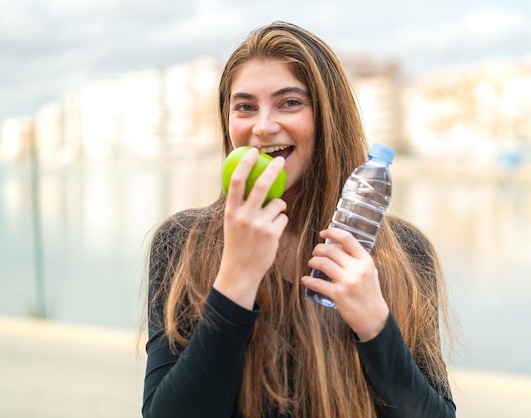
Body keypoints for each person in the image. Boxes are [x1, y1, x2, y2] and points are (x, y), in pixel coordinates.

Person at [142, 21, 457, 418]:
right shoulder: (182, 242)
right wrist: (236, 277)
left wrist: (376, 325)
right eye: (245, 107)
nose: (263, 126)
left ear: (329, 118)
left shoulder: (405, 254)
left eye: (290, 102)